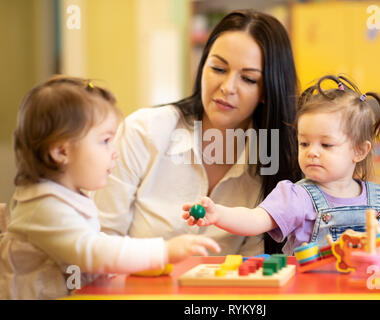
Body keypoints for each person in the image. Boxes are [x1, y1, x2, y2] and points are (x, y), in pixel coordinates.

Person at [94, 10, 302, 255]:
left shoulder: (272, 165)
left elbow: (255, 270)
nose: (227, 88)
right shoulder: (144, 131)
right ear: (202, 66)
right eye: (218, 68)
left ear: (268, 91)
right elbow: (100, 241)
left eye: (247, 79)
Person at [0, 75, 220, 300]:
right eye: (105, 141)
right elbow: (90, 251)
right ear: (61, 152)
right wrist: (163, 251)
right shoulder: (45, 208)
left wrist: (133, 262)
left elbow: (96, 243)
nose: (115, 151)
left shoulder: (67, 197)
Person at [182, 74, 380, 254]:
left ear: (359, 150)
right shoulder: (295, 196)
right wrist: (218, 214)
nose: (312, 153)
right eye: (304, 143)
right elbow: (255, 219)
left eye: (326, 145)